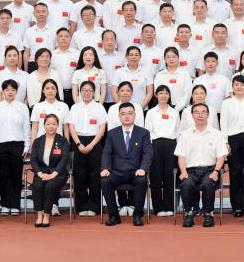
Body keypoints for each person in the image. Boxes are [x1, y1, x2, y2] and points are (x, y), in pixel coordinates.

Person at [175, 103, 227, 228]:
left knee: (208, 183)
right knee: (186, 183)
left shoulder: (217, 134)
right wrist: (183, 171)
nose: (200, 115)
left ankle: (208, 214)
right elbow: (181, 156)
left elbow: (221, 157)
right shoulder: (185, 135)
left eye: (203, 112)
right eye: (196, 112)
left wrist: (216, 171)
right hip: (190, 171)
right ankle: (189, 213)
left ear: (208, 115)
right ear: (192, 115)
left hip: (210, 170)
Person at [100, 103, 153, 227]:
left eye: (130, 113)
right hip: (117, 172)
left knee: (142, 180)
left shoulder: (144, 133)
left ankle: (138, 215)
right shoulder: (112, 133)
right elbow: (106, 153)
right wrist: (105, 168)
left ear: (135, 115)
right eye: (123, 114)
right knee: (105, 181)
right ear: (119, 116)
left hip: (135, 172)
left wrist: (143, 168)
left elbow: (148, 153)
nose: (127, 116)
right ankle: (114, 216)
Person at [0, 79, 31, 215]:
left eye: (13, 90)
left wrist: (27, 147)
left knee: (16, 175)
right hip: (0, 145)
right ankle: (5, 205)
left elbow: (27, 128)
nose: (10, 92)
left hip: (18, 145)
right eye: (7, 90)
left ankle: (15, 205)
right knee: (3, 175)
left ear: (16, 92)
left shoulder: (22, 107)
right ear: (2, 92)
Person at [66, 81, 107, 217]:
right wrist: (78, 144)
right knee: (79, 175)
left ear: (94, 92)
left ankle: (95, 206)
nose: (87, 92)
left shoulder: (99, 108)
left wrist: (92, 144)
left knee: (95, 175)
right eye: (84, 90)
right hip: (78, 142)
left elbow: (102, 128)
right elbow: (71, 127)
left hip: (95, 142)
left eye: (89, 90)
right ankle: (82, 206)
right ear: (80, 92)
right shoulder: (75, 107)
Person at [222, 75, 244, 217]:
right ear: (232, 86)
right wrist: (225, 142)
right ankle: (237, 206)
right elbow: (223, 123)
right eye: (236, 84)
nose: (239, 87)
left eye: (242, 84)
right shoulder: (227, 103)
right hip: (233, 139)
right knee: (235, 172)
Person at [143, 85, 181, 217]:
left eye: (166, 93)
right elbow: (147, 131)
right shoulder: (151, 112)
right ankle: (158, 207)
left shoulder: (174, 112)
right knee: (156, 177)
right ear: (156, 95)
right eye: (161, 93)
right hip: (155, 145)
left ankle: (170, 206)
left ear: (169, 96)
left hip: (171, 145)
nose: (164, 95)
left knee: (170, 176)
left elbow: (178, 132)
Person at [30, 114, 71, 227]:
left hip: (58, 174)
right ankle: (39, 215)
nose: (51, 126)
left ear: (58, 125)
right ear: (44, 125)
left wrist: (53, 174)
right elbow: (33, 160)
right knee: (37, 186)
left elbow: (64, 160)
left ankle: (47, 215)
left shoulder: (63, 141)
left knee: (49, 186)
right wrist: (39, 173)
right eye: (48, 124)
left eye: (54, 124)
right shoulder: (38, 141)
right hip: (41, 173)